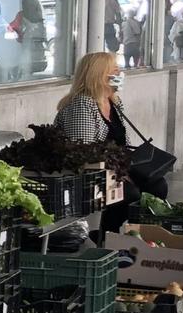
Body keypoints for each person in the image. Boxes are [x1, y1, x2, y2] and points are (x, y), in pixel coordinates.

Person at [55, 50, 166, 231]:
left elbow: (124, 142)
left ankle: (143, 233)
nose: (120, 74)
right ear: (99, 75)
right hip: (91, 172)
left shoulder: (114, 102)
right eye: (115, 70)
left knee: (157, 185)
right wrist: (121, 171)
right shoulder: (83, 104)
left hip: (116, 168)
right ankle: (108, 234)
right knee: (129, 193)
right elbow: (83, 150)